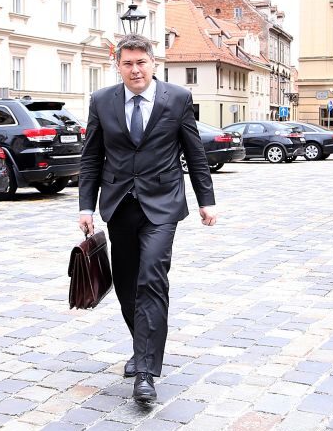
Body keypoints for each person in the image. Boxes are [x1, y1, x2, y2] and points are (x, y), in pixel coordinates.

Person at [78, 34, 217, 403]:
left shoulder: (178, 98)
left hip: (163, 204)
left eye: (141, 62)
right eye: (128, 63)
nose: (135, 69)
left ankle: (145, 372)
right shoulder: (102, 100)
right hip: (119, 205)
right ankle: (142, 346)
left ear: (154, 64)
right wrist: (85, 207)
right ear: (118, 66)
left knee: (152, 279)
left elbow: (194, 153)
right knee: (126, 286)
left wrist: (206, 200)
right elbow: (91, 157)